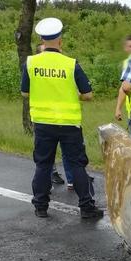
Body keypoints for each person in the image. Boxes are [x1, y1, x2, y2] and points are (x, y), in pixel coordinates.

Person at [21, 17, 103, 219]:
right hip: (69, 124)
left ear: (41, 38)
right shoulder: (70, 64)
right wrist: (72, 95)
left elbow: (24, 93)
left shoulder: (31, 62)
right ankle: (87, 207)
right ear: (60, 40)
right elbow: (88, 94)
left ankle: (40, 206)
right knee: (77, 164)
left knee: (43, 164)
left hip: (42, 123)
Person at [36, 42, 73, 188]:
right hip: (44, 117)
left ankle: (72, 177)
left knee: (68, 151)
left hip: (64, 116)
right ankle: (51, 173)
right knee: (46, 154)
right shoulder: (36, 69)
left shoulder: (65, 66)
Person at [114, 34, 131, 122]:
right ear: (126, 48)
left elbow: (125, 88)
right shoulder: (130, 62)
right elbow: (123, 87)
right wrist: (118, 108)